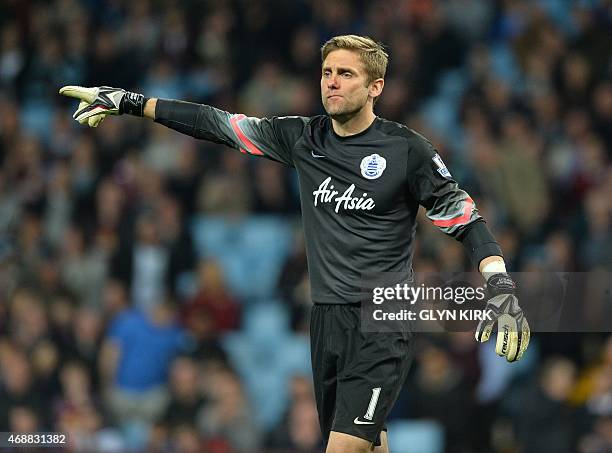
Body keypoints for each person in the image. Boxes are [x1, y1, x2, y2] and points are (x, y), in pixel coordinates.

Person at [60, 34, 530, 453]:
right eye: (327, 72)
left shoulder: (407, 151)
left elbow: (466, 220)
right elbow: (217, 124)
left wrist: (501, 288)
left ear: (375, 87)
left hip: (382, 320)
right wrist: (128, 102)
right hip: (324, 318)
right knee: (367, 444)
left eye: (346, 74)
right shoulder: (303, 138)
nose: (332, 82)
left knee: (344, 448)